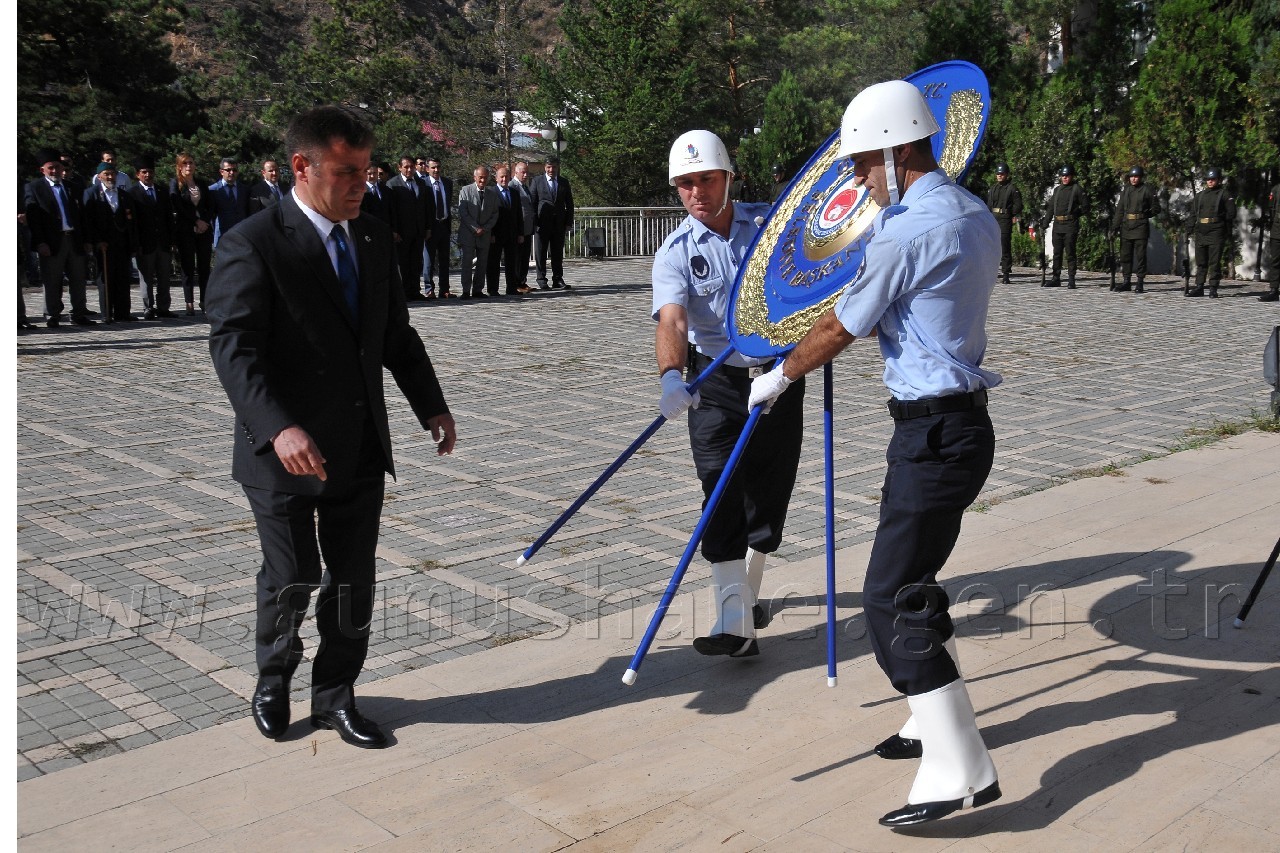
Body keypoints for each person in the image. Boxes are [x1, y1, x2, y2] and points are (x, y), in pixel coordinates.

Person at [747, 80, 1001, 827]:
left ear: (896, 152)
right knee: (913, 579)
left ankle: (963, 766)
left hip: (934, 433)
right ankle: (931, 719)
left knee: (891, 596)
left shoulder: (907, 230)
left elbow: (841, 326)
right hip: (952, 429)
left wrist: (779, 374)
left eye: (862, 166)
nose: (858, 182)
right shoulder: (972, 211)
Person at [206, 105, 457, 750]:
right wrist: (278, 427)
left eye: (366, 172)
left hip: (358, 447)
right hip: (282, 453)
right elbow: (234, 347)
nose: (360, 185)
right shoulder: (253, 242)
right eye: (347, 172)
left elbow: (395, 335)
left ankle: (335, 696)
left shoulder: (371, 238)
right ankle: (272, 680)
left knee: (352, 580)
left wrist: (430, 404)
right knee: (291, 575)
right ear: (301, 166)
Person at [653, 130, 805, 659]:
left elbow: (812, 272)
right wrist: (671, 374)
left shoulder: (770, 224)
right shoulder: (675, 252)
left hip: (778, 373)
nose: (698, 191)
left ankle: (751, 596)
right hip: (714, 381)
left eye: (708, 179)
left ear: (728, 178)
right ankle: (736, 624)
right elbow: (672, 318)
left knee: (769, 485)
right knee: (718, 487)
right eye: (687, 183)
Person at [24, 149, 96, 327]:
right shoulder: (35, 188)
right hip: (51, 242)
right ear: (43, 170)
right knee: (52, 280)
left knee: (78, 279)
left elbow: (83, 216)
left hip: (74, 239)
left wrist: (87, 239)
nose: (55, 171)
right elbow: (34, 219)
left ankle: (79, 312)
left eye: (57, 167)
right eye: (51, 168)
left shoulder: (73, 187)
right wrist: (40, 242)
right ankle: (52, 314)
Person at [82, 162, 139, 322]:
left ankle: (123, 312)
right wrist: (97, 241)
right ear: (99, 176)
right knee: (105, 279)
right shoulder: (92, 194)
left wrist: (132, 243)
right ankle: (107, 312)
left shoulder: (124, 195)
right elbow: (89, 221)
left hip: (122, 243)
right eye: (106, 174)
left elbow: (131, 221)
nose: (109, 177)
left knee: (122, 278)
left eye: (112, 174)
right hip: (104, 245)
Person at [129, 156, 179, 319]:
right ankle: (148, 307)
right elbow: (134, 222)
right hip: (145, 242)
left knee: (164, 276)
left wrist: (172, 240)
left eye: (150, 172)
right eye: (144, 172)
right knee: (146, 277)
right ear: (138, 175)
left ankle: (163, 307)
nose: (148, 175)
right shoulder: (132, 193)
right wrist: (136, 243)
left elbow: (168, 218)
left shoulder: (161, 191)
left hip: (163, 242)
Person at [170, 152, 214, 315]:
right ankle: (189, 302)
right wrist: (195, 222)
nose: (189, 166)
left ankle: (204, 300)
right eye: (185, 163)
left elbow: (210, 205)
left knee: (204, 267)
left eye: (191, 163)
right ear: (179, 166)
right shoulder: (176, 184)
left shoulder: (201, 183)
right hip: (186, 230)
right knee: (188, 267)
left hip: (203, 230)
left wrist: (204, 221)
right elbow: (178, 207)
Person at [387, 156, 432, 301]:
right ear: (399, 167)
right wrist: (394, 230)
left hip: (418, 231)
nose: (409, 169)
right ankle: (404, 292)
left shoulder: (421, 183)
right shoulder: (393, 184)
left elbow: (426, 207)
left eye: (411, 166)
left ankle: (415, 290)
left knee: (416, 262)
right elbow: (391, 210)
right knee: (403, 263)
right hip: (402, 232)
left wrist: (427, 227)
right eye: (406, 167)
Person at [1111, 165, 1158, 293]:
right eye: (1132, 177)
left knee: (1140, 256)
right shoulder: (1126, 190)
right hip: (1127, 226)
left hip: (1140, 227)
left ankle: (1140, 282)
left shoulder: (1147, 190)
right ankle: (1126, 281)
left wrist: (1145, 215)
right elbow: (1120, 210)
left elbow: (1156, 208)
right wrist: (1114, 227)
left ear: (1141, 177)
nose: (1134, 179)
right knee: (1125, 255)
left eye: (1136, 177)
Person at [1189, 167, 1236, 298]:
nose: (1210, 182)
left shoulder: (1224, 194)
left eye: (1213, 179)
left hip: (1216, 230)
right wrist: (1189, 228)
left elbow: (1231, 213)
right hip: (1201, 230)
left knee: (1214, 262)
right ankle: (1199, 286)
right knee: (1201, 261)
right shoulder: (1200, 195)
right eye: (1208, 179)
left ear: (1218, 180)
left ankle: (1213, 287)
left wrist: (1222, 224)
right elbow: (1193, 214)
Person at [531, 156, 574, 289]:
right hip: (542, 223)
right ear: (545, 167)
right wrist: (534, 222)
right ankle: (541, 279)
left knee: (557, 253)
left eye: (554, 167)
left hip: (558, 224)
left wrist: (568, 222)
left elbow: (570, 204)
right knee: (541, 253)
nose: (551, 170)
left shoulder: (563, 182)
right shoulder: (537, 181)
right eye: (549, 167)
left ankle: (557, 279)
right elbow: (533, 202)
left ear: (557, 167)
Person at [456, 165, 499, 299]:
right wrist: (475, 228)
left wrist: (485, 228)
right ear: (475, 177)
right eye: (480, 177)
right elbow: (463, 212)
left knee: (482, 263)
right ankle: (465, 290)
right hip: (469, 234)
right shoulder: (465, 190)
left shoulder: (492, 194)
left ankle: (478, 290)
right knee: (467, 263)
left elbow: (495, 214)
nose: (482, 180)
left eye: (485, 178)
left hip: (484, 234)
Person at [488, 165, 525, 296]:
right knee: (493, 263)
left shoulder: (514, 193)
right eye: (501, 177)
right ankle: (493, 289)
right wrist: (490, 233)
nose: (504, 179)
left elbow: (519, 214)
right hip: (496, 234)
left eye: (506, 177)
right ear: (496, 178)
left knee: (511, 263)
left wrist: (521, 232)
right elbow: (488, 215)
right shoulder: (491, 192)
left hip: (512, 234)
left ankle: (511, 288)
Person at [1047, 164, 1085, 288]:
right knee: (1057, 253)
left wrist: (1076, 214)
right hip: (1058, 225)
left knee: (1070, 253)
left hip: (1070, 225)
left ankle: (1071, 278)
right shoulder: (1057, 190)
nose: (1065, 178)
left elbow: (1086, 206)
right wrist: (1045, 222)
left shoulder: (1076, 189)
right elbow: (1051, 208)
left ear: (1071, 176)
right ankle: (1056, 277)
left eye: (1067, 176)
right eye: (1063, 176)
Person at [422, 156, 454, 298]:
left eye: (438, 167)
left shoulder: (447, 183)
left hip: (444, 225)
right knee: (428, 261)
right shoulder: (423, 184)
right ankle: (429, 289)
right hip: (430, 227)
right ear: (427, 169)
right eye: (433, 167)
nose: (436, 170)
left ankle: (444, 289)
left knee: (444, 259)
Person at [986, 163, 1022, 283]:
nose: (1000, 176)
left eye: (1002, 174)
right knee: (992, 246)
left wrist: (1010, 213)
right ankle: (992, 272)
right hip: (994, 217)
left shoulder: (1012, 189)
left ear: (1006, 175)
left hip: (1005, 218)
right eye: (998, 174)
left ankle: (1006, 273)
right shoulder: (993, 189)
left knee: (1004, 246)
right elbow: (989, 205)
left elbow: (1018, 205)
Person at [208, 157, 251, 246]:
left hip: (241, 236)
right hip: (222, 236)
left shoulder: (245, 189)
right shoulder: (213, 190)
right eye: (228, 170)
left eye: (234, 170)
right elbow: (210, 215)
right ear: (221, 172)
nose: (231, 173)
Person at [509, 161, 537, 293]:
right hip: (517, 229)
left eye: (527, 173)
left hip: (527, 228)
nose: (526, 175)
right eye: (523, 172)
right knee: (517, 258)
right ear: (516, 172)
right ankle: (516, 283)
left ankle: (522, 281)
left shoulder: (525, 187)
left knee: (525, 257)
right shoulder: (512, 186)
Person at [1261, 179, 1279, 302]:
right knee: (1276, 261)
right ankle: (1274, 290)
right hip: (1277, 230)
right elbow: (1271, 210)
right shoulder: (1276, 189)